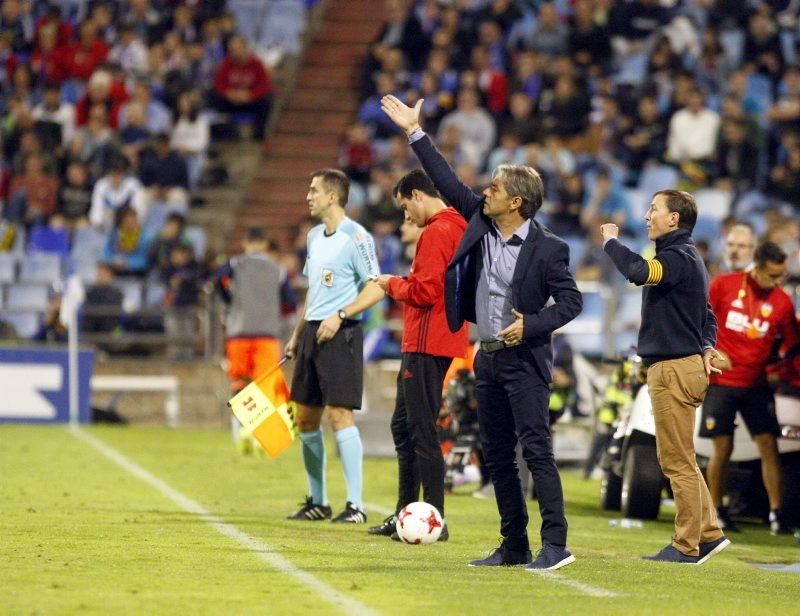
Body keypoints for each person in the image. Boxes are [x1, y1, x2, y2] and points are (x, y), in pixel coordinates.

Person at [381, 95, 582, 570]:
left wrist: (531, 324)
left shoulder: (550, 248)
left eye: (494, 188)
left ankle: (555, 544)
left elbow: (572, 302)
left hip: (526, 361)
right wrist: (415, 132)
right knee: (497, 457)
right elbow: (447, 179)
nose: (483, 192)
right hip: (485, 357)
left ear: (516, 201)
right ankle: (514, 545)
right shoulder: (481, 222)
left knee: (536, 451)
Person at [600, 190, 730, 565]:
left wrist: (611, 242)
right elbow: (707, 314)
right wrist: (706, 347)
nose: (646, 215)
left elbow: (640, 272)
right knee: (681, 458)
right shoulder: (690, 258)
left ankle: (686, 544)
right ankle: (707, 533)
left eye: (654, 209)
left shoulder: (676, 257)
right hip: (681, 364)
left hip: (673, 369)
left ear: (674, 219)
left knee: (675, 461)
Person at [367, 169, 469, 542]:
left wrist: (391, 283)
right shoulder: (457, 224)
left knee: (421, 429)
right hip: (437, 338)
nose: (406, 216)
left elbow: (425, 292)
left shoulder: (438, 231)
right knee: (405, 425)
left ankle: (434, 520)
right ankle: (405, 516)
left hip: (427, 339)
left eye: (405, 206)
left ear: (417, 195)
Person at [285, 169, 383, 524]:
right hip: (312, 332)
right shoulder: (314, 236)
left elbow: (376, 286)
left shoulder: (357, 237)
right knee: (306, 419)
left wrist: (340, 314)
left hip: (342, 334)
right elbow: (314, 290)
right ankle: (318, 500)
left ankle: (355, 505)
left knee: (340, 415)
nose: (308, 196)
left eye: (314, 190)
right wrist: (298, 333)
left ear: (332, 197)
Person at [702, 241, 800, 534]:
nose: (777, 281)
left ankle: (776, 515)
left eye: (781, 275)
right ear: (756, 267)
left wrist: (775, 371)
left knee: (769, 445)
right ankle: (716, 511)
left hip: (756, 384)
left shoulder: (782, 302)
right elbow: (701, 320)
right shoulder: (724, 286)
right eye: (772, 275)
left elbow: (791, 346)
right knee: (723, 447)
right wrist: (708, 351)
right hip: (722, 382)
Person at [215, 226, 297, 451]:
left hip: (238, 333)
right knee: (268, 384)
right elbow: (290, 302)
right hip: (267, 335)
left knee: (240, 382)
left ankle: (240, 430)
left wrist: (230, 302)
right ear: (264, 244)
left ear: (245, 243)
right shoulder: (277, 271)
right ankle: (268, 434)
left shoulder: (234, 265)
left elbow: (217, 281)